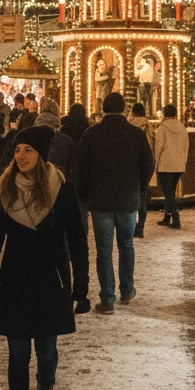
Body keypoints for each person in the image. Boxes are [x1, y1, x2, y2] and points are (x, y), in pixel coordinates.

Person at [0, 126, 89, 390]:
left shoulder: (61, 189)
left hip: (51, 280)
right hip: (15, 281)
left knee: (46, 350)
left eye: (28, 150)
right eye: (18, 150)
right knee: (17, 355)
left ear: (41, 155)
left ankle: (45, 388)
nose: (21, 156)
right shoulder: (5, 188)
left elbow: (77, 239)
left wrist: (82, 285)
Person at [76, 92, 154, 314]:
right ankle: (127, 289)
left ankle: (107, 298)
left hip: (100, 201)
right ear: (124, 109)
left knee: (104, 249)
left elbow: (82, 168)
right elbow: (148, 164)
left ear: (104, 109)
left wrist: (85, 194)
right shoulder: (136, 135)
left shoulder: (92, 134)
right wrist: (138, 188)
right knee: (126, 245)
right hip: (128, 199)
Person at [154, 104, 189, 231]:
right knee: (171, 191)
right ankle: (166, 217)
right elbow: (186, 146)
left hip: (165, 164)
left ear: (164, 114)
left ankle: (176, 218)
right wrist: (183, 161)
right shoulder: (182, 128)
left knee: (168, 193)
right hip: (178, 165)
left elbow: (159, 148)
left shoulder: (162, 129)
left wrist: (155, 162)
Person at [34, 111, 78, 183]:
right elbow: (73, 169)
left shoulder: (31, 140)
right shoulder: (66, 141)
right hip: (59, 183)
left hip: (38, 184)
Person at [127, 103, 151, 237]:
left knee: (129, 198)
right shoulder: (147, 125)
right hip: (142, 166)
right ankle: (140, 227)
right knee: (142, 198)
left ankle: (129, 227)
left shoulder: (128, 125)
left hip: (130, 165)